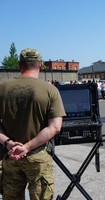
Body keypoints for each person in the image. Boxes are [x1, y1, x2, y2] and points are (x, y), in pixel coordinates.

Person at [0, 48, 66, 199]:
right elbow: (55, 127)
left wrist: (9, 143)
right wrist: (27, 147)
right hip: (38, 157)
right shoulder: (50, 90)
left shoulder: (2, 89)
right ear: (41, 65)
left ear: (20, 65)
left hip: (10, 156)